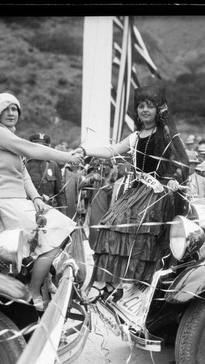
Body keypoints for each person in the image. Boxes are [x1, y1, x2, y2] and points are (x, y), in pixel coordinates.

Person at [73, 85, 189, 297]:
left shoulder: (165, 134)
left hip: (157, 193)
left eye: (150, 106)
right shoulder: (135, 137)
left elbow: (182, 159)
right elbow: (112, 150)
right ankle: (111, 280)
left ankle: (139, 283)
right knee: (110, 225)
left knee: (141, 233)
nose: (145, 110)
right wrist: (86, 150)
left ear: (158, 110)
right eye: (141, 106)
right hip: (136, 191)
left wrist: (174, 178)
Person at [0, 92, 83, 311]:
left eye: (15, 109)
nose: (11, 113)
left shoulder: (6, 134)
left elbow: (23, 173)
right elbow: (33, 149)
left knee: (59, 230)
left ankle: (43, 280)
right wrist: (69, 157)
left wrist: (36, 197)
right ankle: (34, 289)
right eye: (6, 109)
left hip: (18, 200)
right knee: (54, 238)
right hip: (8, 202)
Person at [26, 133, 68, 215]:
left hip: (51, 210)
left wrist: (63, 213)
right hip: (31, 210)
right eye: (37, 147)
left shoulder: (53, 165)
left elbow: (60, 194)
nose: (41, 149)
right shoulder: (26, 166)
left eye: (44, 147)